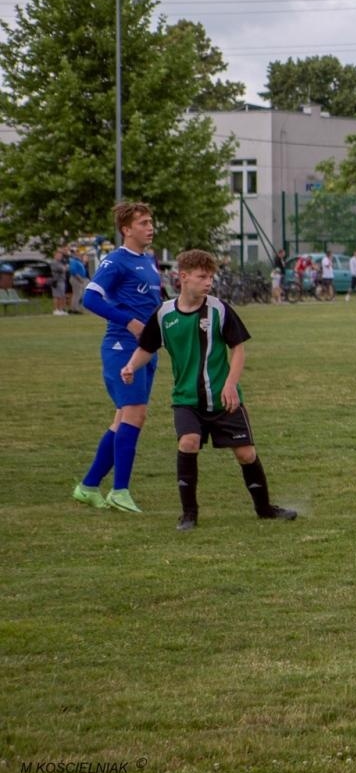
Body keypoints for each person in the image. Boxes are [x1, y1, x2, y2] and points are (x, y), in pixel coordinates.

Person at [118, 249, 297, 530]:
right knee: (188, 442)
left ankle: (265, 509)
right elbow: (147, 347)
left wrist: (230, 384)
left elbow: (238, 348)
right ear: (183, 277)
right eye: (202, 277)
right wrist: (131, 366)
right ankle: (189, 514)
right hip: (187, 399)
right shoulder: (164, 314)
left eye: (211, 277)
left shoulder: (219, 309)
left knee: (246, 454)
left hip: (224, 399)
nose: (208, 282)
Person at [73, 201, 165, 513]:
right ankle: (119, 491)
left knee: (124, 418)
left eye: (150, 221)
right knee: (134, 415)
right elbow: (90, 298)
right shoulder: (115, 261)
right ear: (126, 229)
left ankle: (87, 487)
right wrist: (129, 322)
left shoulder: (148, 261)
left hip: (145, 349)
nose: (150, 227)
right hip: (121, 347)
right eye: (143, 223)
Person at [51, 246, 70, 316]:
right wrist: (65, 267)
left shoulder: (60, 262)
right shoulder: (54, 262)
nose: (60, 257)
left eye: (61, 256)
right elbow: (62, 269)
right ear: (55, 256)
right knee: (56, 296)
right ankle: (56, 310)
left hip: (62, 280)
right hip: (57, 281)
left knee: (62, 295)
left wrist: (65, 267)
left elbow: (66, 268)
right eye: (58, 255)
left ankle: (61, 309)